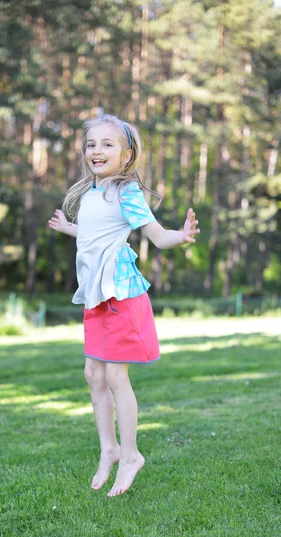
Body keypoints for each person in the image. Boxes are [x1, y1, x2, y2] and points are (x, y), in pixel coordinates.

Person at [48, 114, 200, 497]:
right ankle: (109, 449)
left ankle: (131, 454)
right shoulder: (88, 195)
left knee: (116, 377)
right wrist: (70, 228)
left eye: (107, 144)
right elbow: (97, 231)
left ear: (127, 154)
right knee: (93, 376)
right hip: (96, 297)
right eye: (91, 144)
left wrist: (180, 237)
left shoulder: (127, 192)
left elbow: (156, 234)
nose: (96, 150)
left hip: (121, 297)